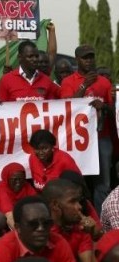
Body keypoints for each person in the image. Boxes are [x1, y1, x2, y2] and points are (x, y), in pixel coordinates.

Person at [59, 44, 113, 214]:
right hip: (78, 141)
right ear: (77, 59)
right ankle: (78, 217)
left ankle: (102, 219)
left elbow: (113, 111)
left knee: (103, 183)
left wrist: (103, 105)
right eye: (85, 57)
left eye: (91, 57)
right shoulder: (68, 82)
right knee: (77, 181)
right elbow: (66, 107)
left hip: (101, 138)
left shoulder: (104, 82)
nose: (89, 61)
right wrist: (84, 86)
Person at [0, 196, 79, 262]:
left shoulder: (58, 243)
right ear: (18, 227)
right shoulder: (0, 251)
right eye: (33, 224)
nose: (41, 229)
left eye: (46, 223)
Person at [41, 179, 97, 262]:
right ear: (55, 205)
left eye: (78, 201)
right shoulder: (39, 233)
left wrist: (91, 235)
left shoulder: (80, 230)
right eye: (72, 202)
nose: (79, 206)